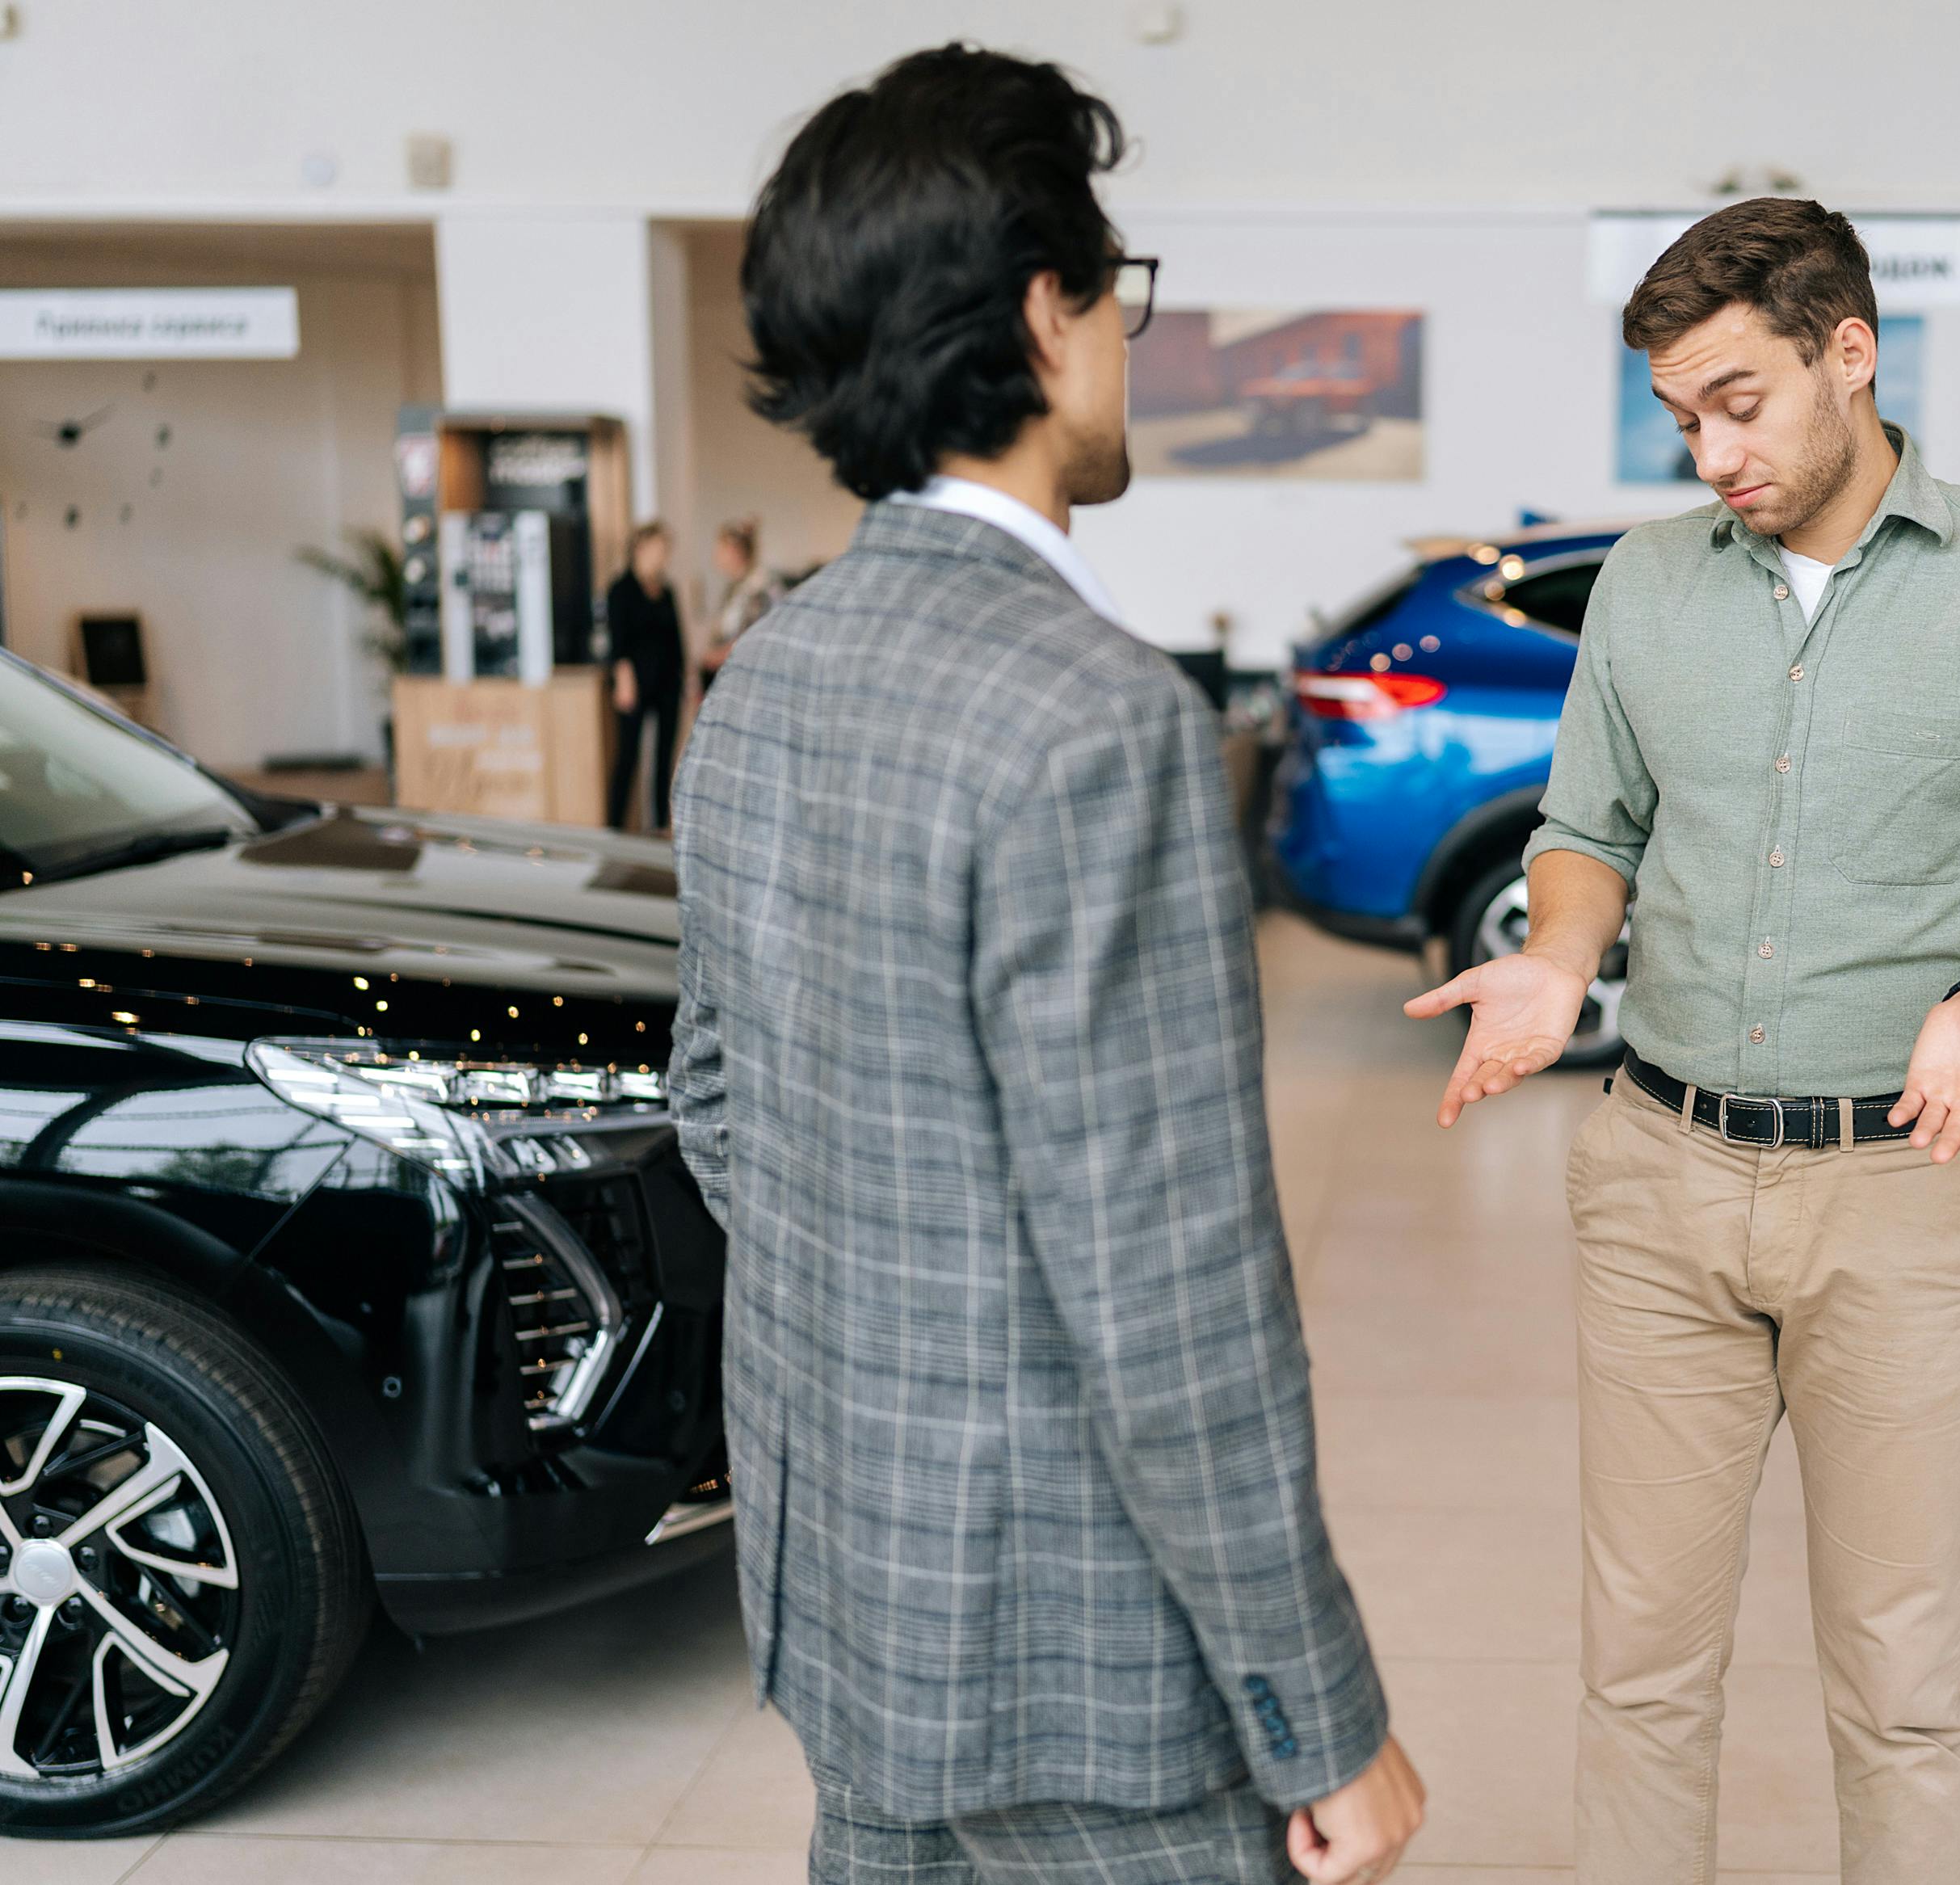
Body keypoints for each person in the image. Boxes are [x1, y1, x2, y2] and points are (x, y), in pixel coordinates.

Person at [667, 44, 1423, 1885]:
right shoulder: (1102, 720)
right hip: (1080, 1661)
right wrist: (1322, 1711)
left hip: (853, 1597)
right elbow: (1170, 1291)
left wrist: (904, 1307)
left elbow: (715, 1096)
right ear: (1045, 314)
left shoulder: (766, 671)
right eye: (1117, 293)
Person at [1407, 197, 1960, 1884]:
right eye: (1680, 416)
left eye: (1737, 400)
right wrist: (1555, 959)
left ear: (1849, 352)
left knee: (1896, 1683)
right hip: (1661, 1175)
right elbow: (1586, 822)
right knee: (1641, 1669)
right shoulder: (1649, 588)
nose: (1710, 451)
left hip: (1905, 1189)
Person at [604, 520, 684, 831]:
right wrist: (624, 679)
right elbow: (618, 642)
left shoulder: (666, 591)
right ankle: (615, 827)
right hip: (635, 683)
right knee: (628, 757)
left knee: (664, 760)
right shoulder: (621, 590)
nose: (664, 556)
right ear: (641, 549)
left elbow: (677, 641)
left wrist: (686, 680)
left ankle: (660, 826)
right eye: (660, 549)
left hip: (666, 684)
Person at [700, 515, 784, 689]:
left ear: (735, 551)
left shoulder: (759, 586)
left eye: (721, 550)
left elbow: (754, 636)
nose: (716, 556)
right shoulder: (735, 587)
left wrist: (718, 655)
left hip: (752, 679)